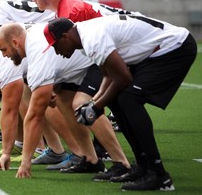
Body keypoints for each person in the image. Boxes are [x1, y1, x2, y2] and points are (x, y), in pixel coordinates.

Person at [42, 16, 197, 190]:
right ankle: (143, 166)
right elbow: (108, 75)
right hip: (159, 50)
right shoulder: (84, 36)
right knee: (117, 99)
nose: (56, 52)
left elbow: (123, 78)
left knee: (129, 99)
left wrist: (95, 107)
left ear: (65, 37)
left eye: (55, 46)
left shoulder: (91, 37)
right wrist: (94, 103)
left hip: (175, 47)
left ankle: (158, 174)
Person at [0, 21, 133, 178]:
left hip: (97, 62)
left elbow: (35, 116)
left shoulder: (36, 51)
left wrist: (25, 162)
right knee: (64, 100)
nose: (4, 55)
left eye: (4, 50)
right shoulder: (31, 43)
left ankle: (121, 163)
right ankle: (90, 160)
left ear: (15, 42)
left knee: (82, 104)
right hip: (77, 69)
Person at [31, 0, 130, 171]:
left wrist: (51, 80)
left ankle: (119, 160)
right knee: (64, 97)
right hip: (100, 56)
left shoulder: (69, 12)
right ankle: (87, 157)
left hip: (113, 56)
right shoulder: (63, 9)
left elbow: (75, 49)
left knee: (81, 103)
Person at [0, 22, 75, 169]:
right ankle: (56, 150)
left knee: (56, 103)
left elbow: (9, 110)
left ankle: (79, 153)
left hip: (76, 63)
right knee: (38, 100)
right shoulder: (2, 37)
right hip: (63, 65)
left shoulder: (6, 56)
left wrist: (6, 154)